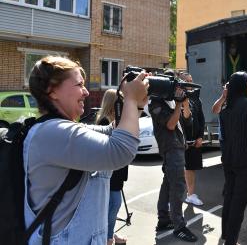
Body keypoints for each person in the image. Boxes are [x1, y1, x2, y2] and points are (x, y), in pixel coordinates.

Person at [23, 56, 148, 245]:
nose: (86, 92)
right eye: (79, 85)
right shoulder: (52, 132)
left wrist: (137, 104)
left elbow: (112, 133)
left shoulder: (60, 129)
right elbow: (121, 150)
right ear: (52, 91)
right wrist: (131, 99)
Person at [149, 70, 198, 242]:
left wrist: (183, 103)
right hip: (170, 148)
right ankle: (179, 226)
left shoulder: (171, 101)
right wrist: (178, 104)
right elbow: (170, 125)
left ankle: (163, 220)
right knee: (178, 187)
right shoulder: (155, 103)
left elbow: (187, 118)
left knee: (168, 184)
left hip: (178, 147)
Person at [219, 71, 247, 245]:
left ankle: (226, 235)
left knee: (230, 198)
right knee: (239, 203)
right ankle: (231, 240)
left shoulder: (226, 108)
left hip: (229, 160)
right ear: (245, 85)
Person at [96, 89, 129, 245]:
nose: (122, 103)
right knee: (113, 205)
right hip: (110, 173)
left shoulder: (116, 120)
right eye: (120, 100)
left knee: (111, 207)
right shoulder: (104, 122)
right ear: (113, 102)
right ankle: (108, 238)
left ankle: (110, 233)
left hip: (117, 173)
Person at [179, 73, 205, 206]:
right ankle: (171, 199)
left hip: (194, 142)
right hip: (180, 143)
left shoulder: (196, 99)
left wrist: (200, 136)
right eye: (187, 82)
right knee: (176, 170)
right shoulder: (177, 100)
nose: (191, 84)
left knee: (191, 169)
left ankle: (191, 195)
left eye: (191, 80)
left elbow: (201, 120)